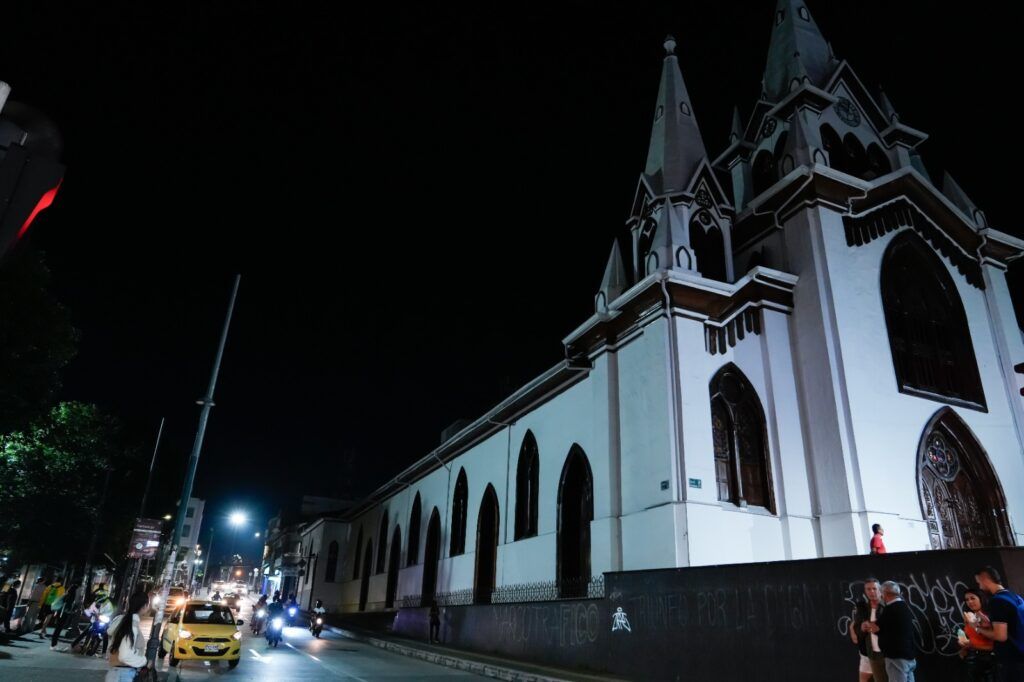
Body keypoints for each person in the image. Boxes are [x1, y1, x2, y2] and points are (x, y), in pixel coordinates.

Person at [974, 566, 1024, 682]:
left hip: (1012, 661)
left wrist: (976, 627)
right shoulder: (1014, 596)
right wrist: (989, 623)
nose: (980, 587)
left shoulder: (996, 601)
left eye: (979, 583)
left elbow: (1000, 636)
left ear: (985, 580)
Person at [865, 581, 916, 682]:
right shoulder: (903, 606)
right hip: (908, 656)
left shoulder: (890, 609)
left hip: (896, 658)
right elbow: (888, 626)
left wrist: (868, 624)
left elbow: (876, 627)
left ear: (884, 593)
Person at [105, 592, 153, 682]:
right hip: (125, 675)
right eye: (148, 604)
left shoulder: (122, 621)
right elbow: (125, 655)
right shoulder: (131, 625)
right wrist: (144, 662)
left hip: (114, 672)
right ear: (144, 606)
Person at [850, 578, 887, 682]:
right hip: (868, 653)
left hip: (886, 654)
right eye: (868, 589)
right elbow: (856, 630)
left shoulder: (887, 606)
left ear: (880, 590)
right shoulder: (862, 608)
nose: (871, 592)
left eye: (874, 588)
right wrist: (861, 628)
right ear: (865, 591)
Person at [959, 587, 995, 682]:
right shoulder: (969, 616)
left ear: (981, 598)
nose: (970, 602)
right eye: (967, 600)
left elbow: (996, 641)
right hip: (974, 661)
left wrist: (972, 645)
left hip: (990, 661)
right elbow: (973, 638)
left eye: (972, 598)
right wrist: (965, 647)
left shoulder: (989, 616)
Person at [49, 581, 80, 650]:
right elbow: (66, 607)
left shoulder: (67, 594)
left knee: (58, 629)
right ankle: (53, 645)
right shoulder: (70, 597)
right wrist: (70, 611)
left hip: (60, 613)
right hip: (62, 614)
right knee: (58, 629)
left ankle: (54, 645)